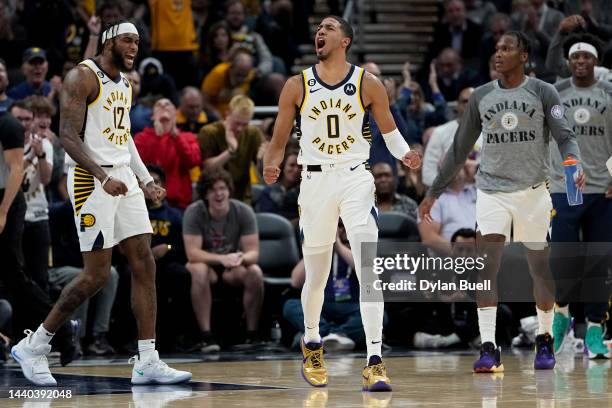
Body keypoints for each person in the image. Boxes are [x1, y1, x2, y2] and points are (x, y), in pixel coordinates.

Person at [11, 21, 191, 387]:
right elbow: (67, 137)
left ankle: (147, 359)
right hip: (90, 180)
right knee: (96, 275)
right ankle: (35, 344)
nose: (134, 47)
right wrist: (102, 177)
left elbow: (123, 137)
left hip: (122, 177)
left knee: (144, 262)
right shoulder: (83, 77)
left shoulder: (124, 85)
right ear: (109, 40)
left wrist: (145, 180)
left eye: (138, 42)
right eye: (127, 40)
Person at [263, 15, 421, 391]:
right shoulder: (295, 85)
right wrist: (271, 163)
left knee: (369, 270)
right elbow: (279, 138)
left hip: (355, 177)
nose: (320, 31)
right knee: (316, 276)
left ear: (346, 39)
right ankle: (313, 342)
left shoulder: (368, 82)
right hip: (314, 181)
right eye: (318, 27)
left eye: (329, 27)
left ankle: (375, 361)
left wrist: (406, 156)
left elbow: (391, 132)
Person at [419, 31, 584, 373]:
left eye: (507, 49)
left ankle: (544, 338)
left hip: (533, 192)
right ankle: (489, 347)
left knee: (538, 267)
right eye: (496, 48)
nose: (498, 54)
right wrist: (433, 192)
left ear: (524, 56)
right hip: (492, 192)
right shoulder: (481, 96)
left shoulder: (543, 91)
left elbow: (565, 137)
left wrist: (574, 163)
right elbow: (459, 149)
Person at [549, 33, 612, 359]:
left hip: (602, 187)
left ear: (595, 61)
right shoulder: (555, 93)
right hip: (564, 186)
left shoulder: (608, 93)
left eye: (587, 57)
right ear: (569, 61)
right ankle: (562, 316)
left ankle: (595, 331)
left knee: (600, 261)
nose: (581, 62)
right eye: (575, 57)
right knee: (563, 257)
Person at [183, 170, 264, 351]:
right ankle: (206, 336)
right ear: (205, 194)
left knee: (255, 272)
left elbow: (253, 253)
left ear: (229, 191)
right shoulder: (194, 212)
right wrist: (221, 258)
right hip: (208, 265)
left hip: (232, 267)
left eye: (222, 188)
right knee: (197, 269)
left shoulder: (243, 211)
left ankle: (253, 334)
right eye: (213, 190)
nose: (218, 194)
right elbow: (192, 253)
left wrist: (240, 257)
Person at [135, 98, 202, 210]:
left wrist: (176, 137)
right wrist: (157, 137)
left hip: (179, 204)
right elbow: (141, 165)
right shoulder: (141, 138)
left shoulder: (188, 138)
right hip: (147, 202)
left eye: (168, 104)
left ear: (175, 114)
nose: (163, 106)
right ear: (152, 116)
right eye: (159, 105)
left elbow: (192, 162)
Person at [18, 96, 54, 294]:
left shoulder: (46, 145)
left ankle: (41, 325)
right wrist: (31, 155)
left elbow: (46, 179)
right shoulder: (11, 144)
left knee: (41, 277)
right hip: (16, 219)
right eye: (40, 115)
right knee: (17, 277)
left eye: (48, 116)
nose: (45, 121)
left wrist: (39, 154)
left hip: (40, 217)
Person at [199, 95, 263, 203]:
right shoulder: (209, 132)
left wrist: (263, 158)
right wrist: (231, 151)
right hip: (212, 196)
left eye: (245, 124)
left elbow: (263, 172)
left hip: (242, 196)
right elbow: (206, 169)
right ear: (227, 114)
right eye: (237, 123)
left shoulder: (253, 133)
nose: (240, 128)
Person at [256, 149, 300, 226]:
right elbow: (267, 221)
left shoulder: (305, 194)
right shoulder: (269, 192)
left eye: (300, 167)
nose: (296, 170)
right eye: (292, 165)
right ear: (283, 167)